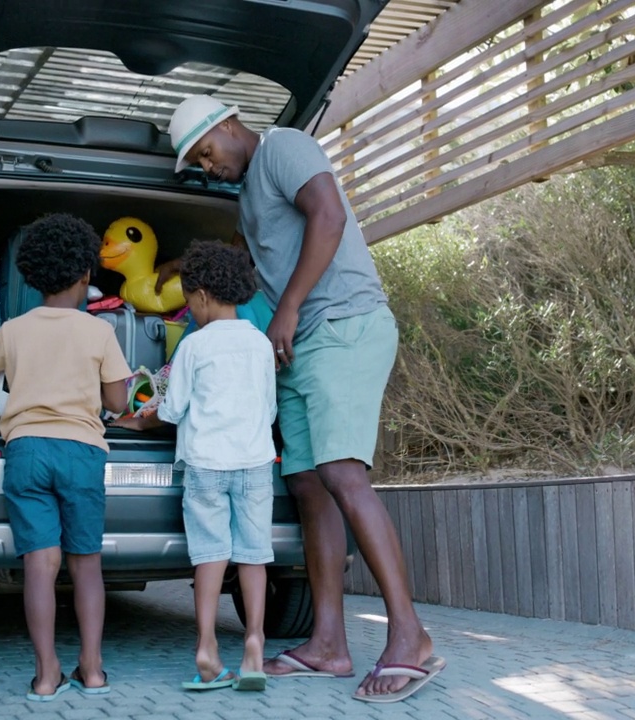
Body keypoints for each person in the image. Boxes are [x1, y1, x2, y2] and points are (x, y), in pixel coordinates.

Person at [161, 95, 445, 703]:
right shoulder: (245, 197)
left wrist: (287, 309)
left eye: (207, 153)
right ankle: (328, 644)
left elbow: (329, 216)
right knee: (308, 485)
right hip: (299, 345)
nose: (208, 167)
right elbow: (254, 279)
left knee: (342, 473)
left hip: (343, 325)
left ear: (230, 127)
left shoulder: (283, 147)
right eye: (198, 163)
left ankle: (410, 636)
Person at [0, 213, 131, 702]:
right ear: (85, 276)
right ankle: (93, 669)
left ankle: (45, 675)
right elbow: (118, 403)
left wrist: (0, 405)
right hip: (81, 452)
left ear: (34, 274)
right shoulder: (98, 332)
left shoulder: (13, 330)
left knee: (40, 563)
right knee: (86, 564)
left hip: (27, 450)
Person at [116, 241, 277, 693]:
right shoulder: (261, 344)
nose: (189, 311)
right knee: (254, 556)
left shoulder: (195, 346)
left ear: (202, 295)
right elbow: (268, 411)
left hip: (206, 463)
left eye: (188, 302)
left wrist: (143, 413)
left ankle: (206, 648)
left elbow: (171, 411)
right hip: (254, 462)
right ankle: (254, 644)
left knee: (210, 554)